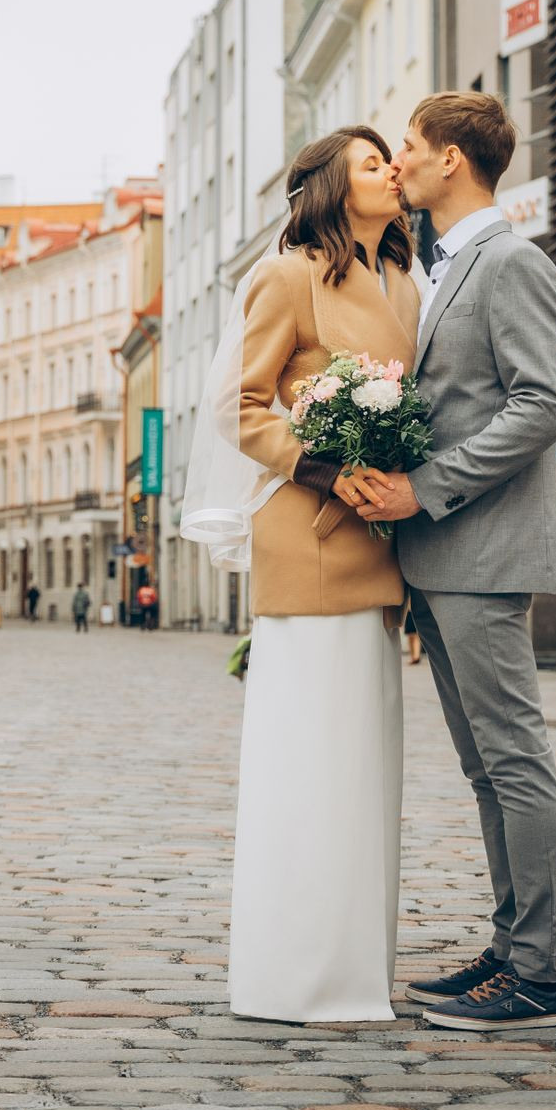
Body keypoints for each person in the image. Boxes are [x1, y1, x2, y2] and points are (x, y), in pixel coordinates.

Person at [182, 125, 421, 1024]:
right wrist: (321, 464)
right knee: (309, 767)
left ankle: (356, 971)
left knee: (365, 773)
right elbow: (239, 405)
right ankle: (292, 976)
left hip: (385, 547)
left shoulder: (404, 281)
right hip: (312, 537)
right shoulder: (288, 275)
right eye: (371, 163)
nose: (390, 171)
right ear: (329, 183)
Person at [354, 92, 556, 1032]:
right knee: (487, 769)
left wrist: (425, 487)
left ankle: (542, 978)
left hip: (481, 549)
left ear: (452, 160)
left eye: (407, 146)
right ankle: (508, 950)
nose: (397, 160)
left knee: (515, 761)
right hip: (445, 558)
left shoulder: (511, 259)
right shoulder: (443, 266)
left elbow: (543, 405)